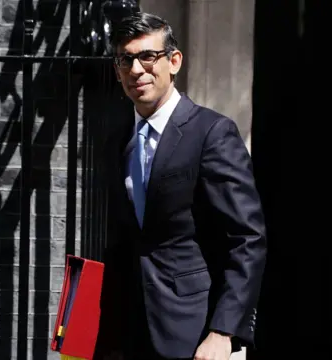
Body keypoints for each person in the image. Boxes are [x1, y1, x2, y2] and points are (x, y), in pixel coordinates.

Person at [94, 12, 267, 360]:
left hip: (194, 332)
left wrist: (224, 331)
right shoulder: (117, 141)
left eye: (148, 56)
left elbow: (247, 239)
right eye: (125, 60)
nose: (137, 69)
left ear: (174, 62)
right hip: (128, 334)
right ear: (117, 71)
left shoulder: (211, 133)